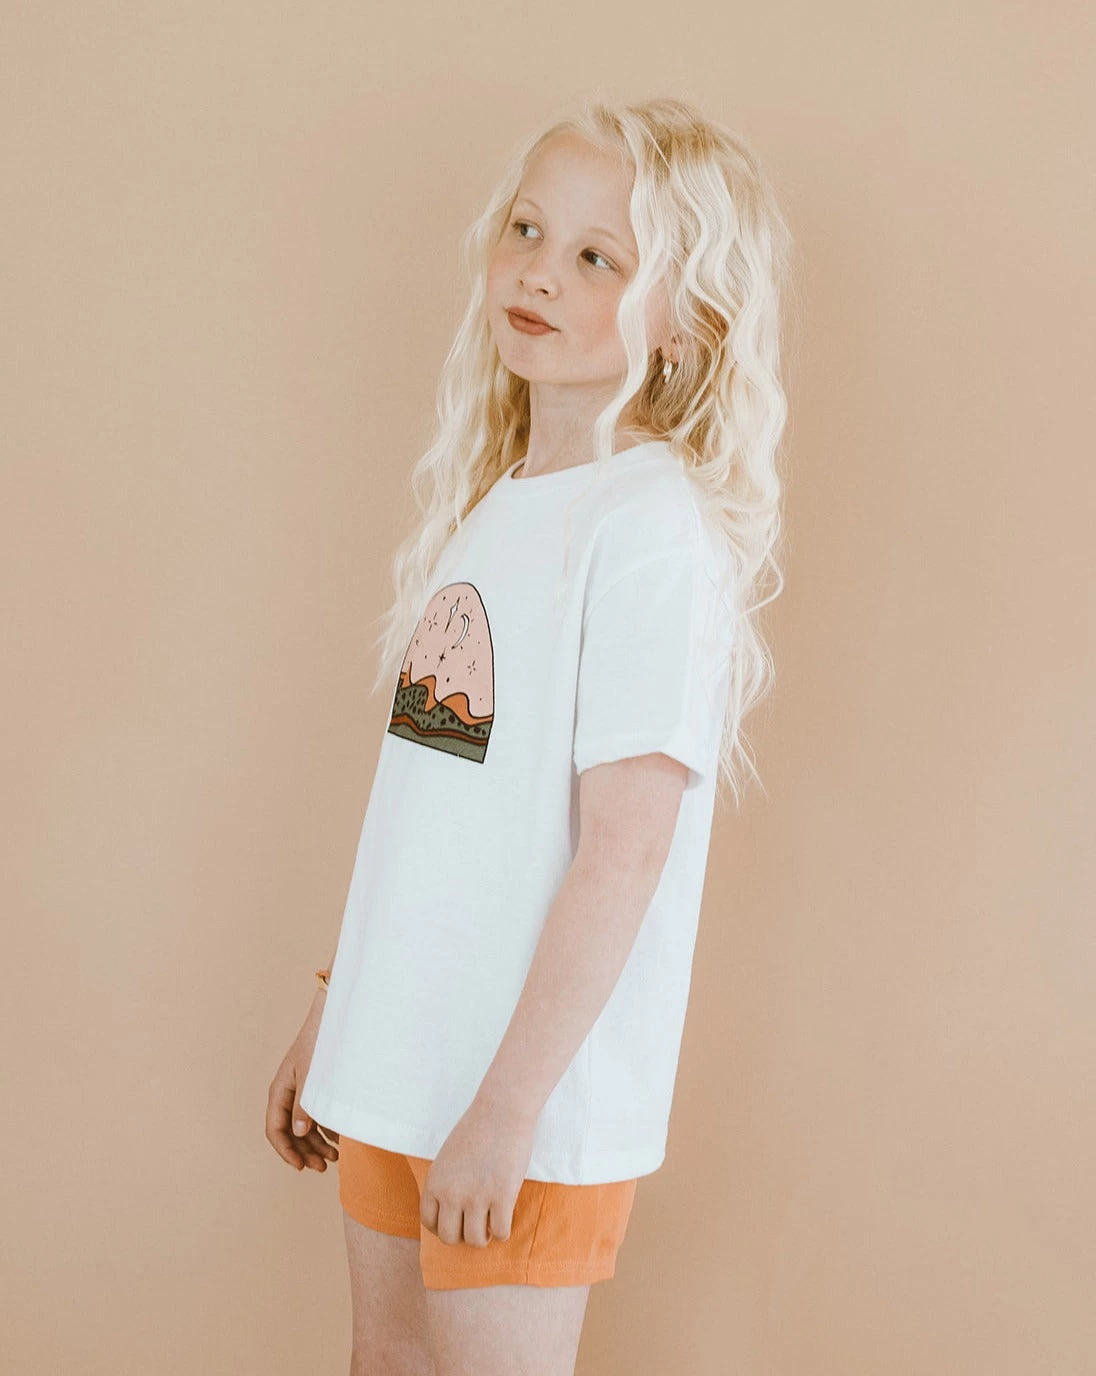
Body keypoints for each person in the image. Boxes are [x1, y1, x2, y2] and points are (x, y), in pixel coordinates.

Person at [266, 93, 792, 1376]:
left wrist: (507, 1110)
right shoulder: (496, 504)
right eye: (526, 230)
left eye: (599, 257)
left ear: (685, 321)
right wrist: (339, 1010)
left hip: (520, 1104)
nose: (540, 272)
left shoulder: (648, 531)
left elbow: (624, 851)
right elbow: (435, 813)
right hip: (402, 1060)